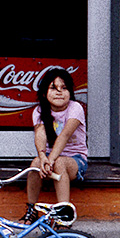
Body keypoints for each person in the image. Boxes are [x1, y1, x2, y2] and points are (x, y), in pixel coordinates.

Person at [24, 67, 88, 221]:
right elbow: (40, 134)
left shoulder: (75, 108)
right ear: (45, 92)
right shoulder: (39, 111)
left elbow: (65, 135)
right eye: (53, 88)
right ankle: (31, 211)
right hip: (49, 158)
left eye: (64, 88)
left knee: (59, 162)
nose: (59, 92)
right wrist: (42, 156)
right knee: (35, 164)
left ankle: (64, 214)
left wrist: (50, 160)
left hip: (76, 160)